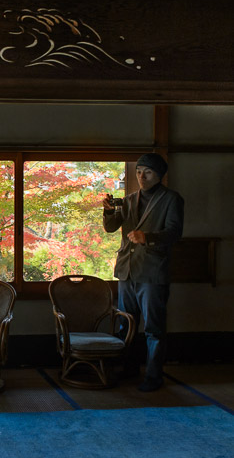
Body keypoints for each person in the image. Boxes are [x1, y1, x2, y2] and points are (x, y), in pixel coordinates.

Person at [102, 153, 184, 392]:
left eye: (147, 172)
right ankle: (128, 369)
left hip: (153, 271)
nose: (141, 176)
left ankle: (153, 376)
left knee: (154, 328)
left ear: (159, 175)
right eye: (139, 172)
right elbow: (110, 228)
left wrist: (147, 238)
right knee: (126, 324)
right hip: (127, 270)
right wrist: (108, 211)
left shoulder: (171, 199)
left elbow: (174, 233)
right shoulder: (129, 200)